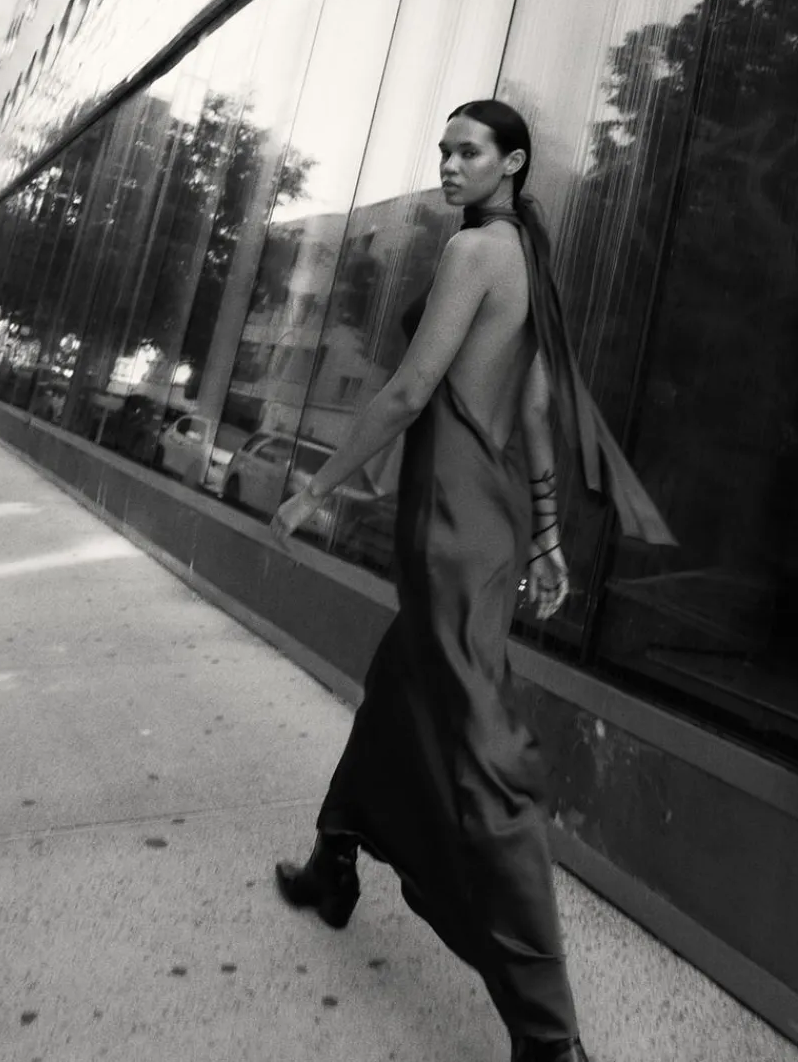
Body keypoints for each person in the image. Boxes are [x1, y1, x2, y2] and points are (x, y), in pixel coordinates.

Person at [270, 99, 674, 1062]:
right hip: (487, 523)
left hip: (447, 522)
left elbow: (411, 389)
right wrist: (546, 536)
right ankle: (335, 857)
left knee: (483, 762)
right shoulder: (527, 258)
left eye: (469, 151)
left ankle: (548, 1035)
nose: (449, 164)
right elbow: (533, 409)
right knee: (399, 685)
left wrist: (313, 488)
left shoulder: (473, 251)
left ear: (513, 162)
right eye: (444, 150)